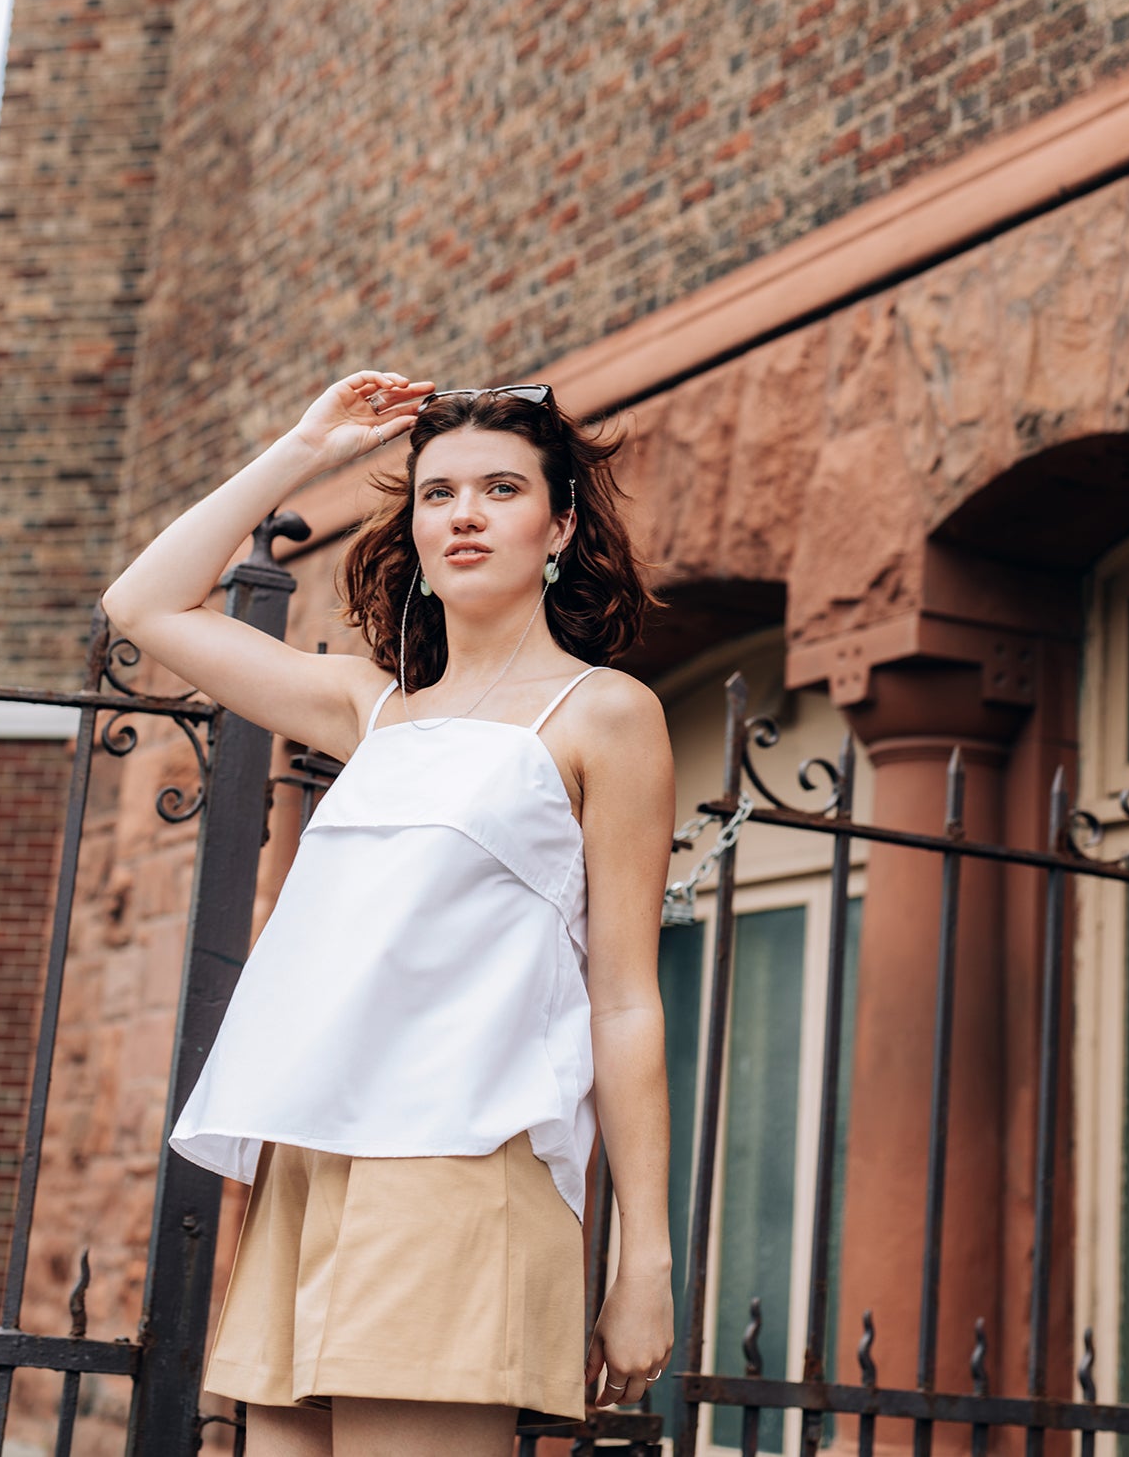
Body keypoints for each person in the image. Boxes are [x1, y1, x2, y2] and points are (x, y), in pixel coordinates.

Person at [101, 370, 677, 1457]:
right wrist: (304, 446)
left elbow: (624, 999)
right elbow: (143, 606)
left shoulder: (603, 714)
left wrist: (641, 1254)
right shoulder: (371, 709)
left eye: (501, 489)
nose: (464, 514)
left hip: (462, 1163)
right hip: (312, 1159)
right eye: (437, 492)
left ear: (559, 526)